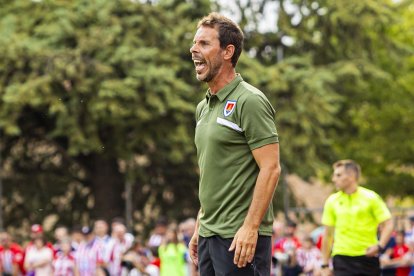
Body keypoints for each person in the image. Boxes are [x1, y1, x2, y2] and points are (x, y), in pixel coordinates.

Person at [189, 12, 281, 275]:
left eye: (204, 43)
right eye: (195, 43)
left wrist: (251, 228)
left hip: (240, 239)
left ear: (228, 51)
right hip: (208, 235)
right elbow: (213, 174)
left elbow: (271, 168)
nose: (194, 49)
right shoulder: (202, 108)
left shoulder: (249, 101)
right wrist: (199, 226)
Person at [321, 159, 394, 276]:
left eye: (338, 175)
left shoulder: (371, 198)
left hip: (367, 257)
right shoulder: (332, 201)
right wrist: (324, 264)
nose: (334, 179)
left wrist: (380, 246)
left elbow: (388, 223)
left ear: (351, 176)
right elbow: (327, 235)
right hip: (342, 258)